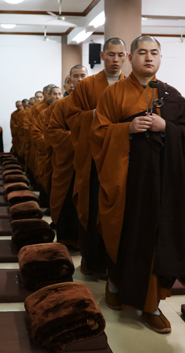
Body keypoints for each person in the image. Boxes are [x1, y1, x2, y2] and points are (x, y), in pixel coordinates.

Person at [91, 36, 185, 333]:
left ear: (161, 58)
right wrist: (126, 129)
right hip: (126, 182)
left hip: (163, 185)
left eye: (154, 53)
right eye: (142, 52)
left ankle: (151, 305)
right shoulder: (113, 94)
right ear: (130, 57)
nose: (149, 58)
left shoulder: (171, 95)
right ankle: (114, 284)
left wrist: (168, 128)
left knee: (156, 240)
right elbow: (98, 134)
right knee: (124, 233)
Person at [65, 38, 126, 276]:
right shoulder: (88, 85)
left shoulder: (131, 85)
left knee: (119, 210)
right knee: (92, 208)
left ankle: (117, 263)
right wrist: (96, 115)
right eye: (111, 54)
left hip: (120, 158)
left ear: (126, 57)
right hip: (92, 158)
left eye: (120, 55)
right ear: (102, 56)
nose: (115, 60)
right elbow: (72, 117)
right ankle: (93, 262)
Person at [47, 69, 87, 248]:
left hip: (88, 163)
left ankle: (86, 245)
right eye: (76, 76)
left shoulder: (95, 102)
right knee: (66, 200)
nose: (79, 80)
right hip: (67, 162)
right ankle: (66, 241)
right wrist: (80, 139)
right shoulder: (60, 105)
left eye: (83, 76)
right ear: (70, 80)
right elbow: (53, 132)